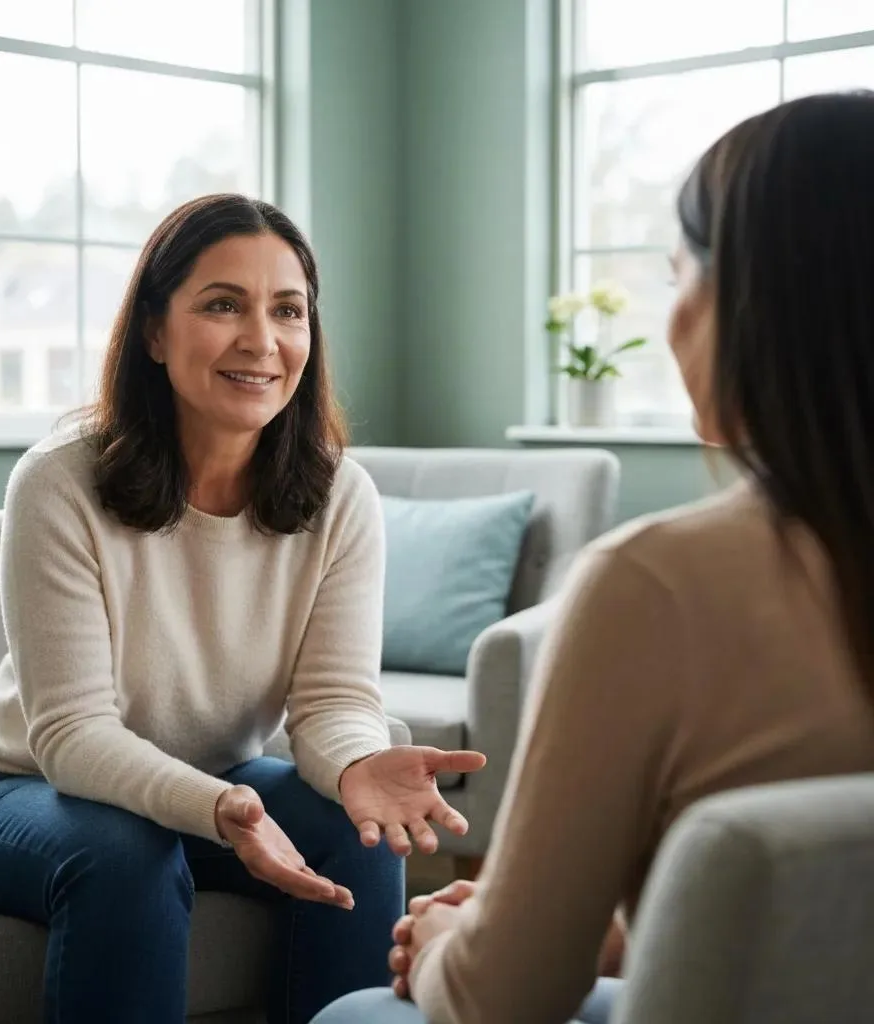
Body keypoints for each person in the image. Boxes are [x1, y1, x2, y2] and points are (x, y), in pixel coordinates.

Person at [312, 89, 874, 1024]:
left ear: (750, 301)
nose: (672, 319)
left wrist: (456, 941)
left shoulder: (656, 586)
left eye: (675, 275)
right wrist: (541, 917)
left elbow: (507, 999)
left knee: (353, 1016)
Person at [0, 193, 486, 1024]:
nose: (262, 340)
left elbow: (331, 703)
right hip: (9, 794)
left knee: (348, 822)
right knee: (125, 849)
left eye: (288, 311)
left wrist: (360, 764)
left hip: (216, 784)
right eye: (223, 305)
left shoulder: (340, 496)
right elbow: (72, 735)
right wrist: (220, 808)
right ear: (154, 330)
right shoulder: (59, 481)